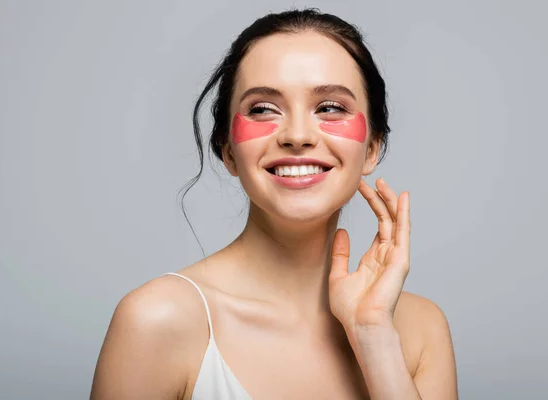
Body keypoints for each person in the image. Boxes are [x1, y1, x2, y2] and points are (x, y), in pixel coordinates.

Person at [90, 8, 458, 400]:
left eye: (330, 107)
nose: (297, 135)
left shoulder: (420, 330)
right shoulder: (157, 320)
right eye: (263, 109)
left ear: (371, 148)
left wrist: (374, 336)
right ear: (228, 151)